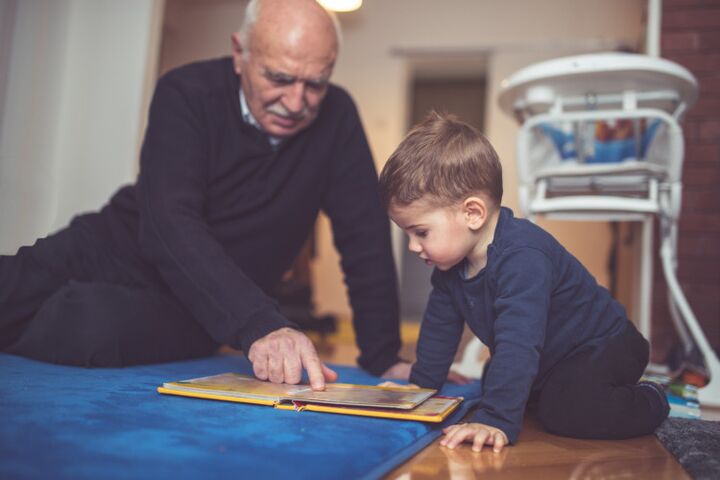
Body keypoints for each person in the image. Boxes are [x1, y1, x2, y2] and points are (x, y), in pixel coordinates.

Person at [0, 0, 411, 390]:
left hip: (197, 306)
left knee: (89, 325)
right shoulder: (186, 92)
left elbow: (365, 238)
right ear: (240, 53)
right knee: (13, 286)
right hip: (110, 247)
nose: (296, 101)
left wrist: (384, 353)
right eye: (279, 78)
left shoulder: (338, 119)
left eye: (315, 84)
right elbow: (168, 223)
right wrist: (260, 322)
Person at [377, 112, 670, 452]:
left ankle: (652, 398)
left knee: (565, 411)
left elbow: (518, 341)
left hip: (605, 345)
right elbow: (439, 328)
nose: (413, 246)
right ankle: (543, 392)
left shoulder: (523, 255)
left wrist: (495, 419)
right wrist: (421, 387)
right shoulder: (449, 268)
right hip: (552, 356)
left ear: (472, 213)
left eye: (421, 232)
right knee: (495, 380)